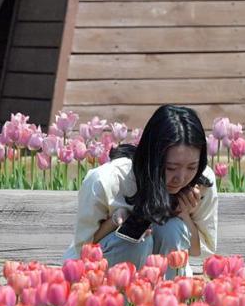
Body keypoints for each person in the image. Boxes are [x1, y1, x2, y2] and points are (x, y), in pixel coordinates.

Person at [63, 104, 217, 278]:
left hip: (166, 279)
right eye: (171, 167)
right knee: (135, 239)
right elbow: (83, 249)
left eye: (191, 166)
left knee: (171, 228)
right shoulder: (106, 181)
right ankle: (123, 303)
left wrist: (184, 215)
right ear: (152, 158)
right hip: (105, 280)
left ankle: (168, 299)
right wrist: (116, 221)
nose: (181, 178)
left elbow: (200, 249)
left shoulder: (201, 181)